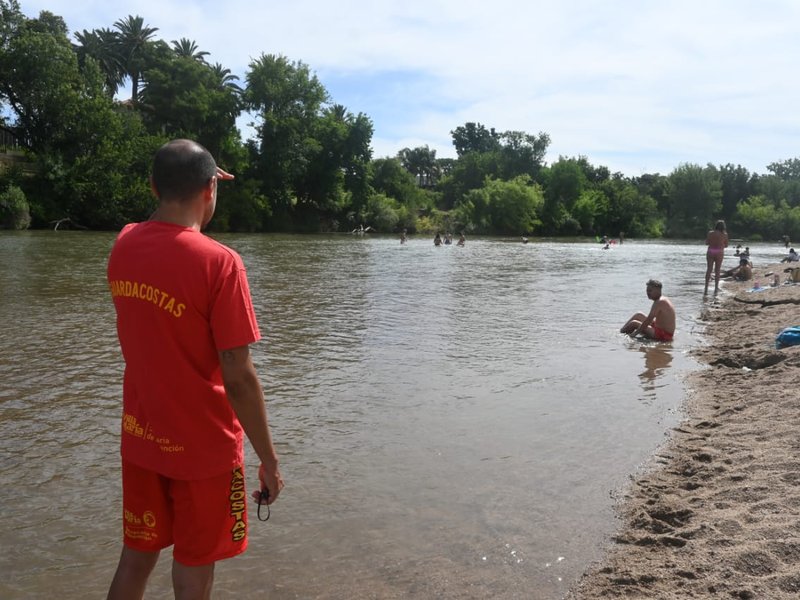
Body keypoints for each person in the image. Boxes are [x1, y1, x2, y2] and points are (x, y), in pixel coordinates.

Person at [105, 139, 283, 600]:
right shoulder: (220, 264)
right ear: (211, 188)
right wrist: (268, 458)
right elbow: (239, 376)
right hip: (202, 449)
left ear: (152, 187)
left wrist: (182, 189)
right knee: (194, 566)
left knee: (135, 558)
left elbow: (154, 229)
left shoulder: (124, 243)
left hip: (141, 439)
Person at [704, 219, 729, 295]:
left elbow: (706, 243)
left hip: (711, 251)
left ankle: (706, 288)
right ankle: (715, 288)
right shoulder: (725, 234)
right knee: (717, 270)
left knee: (709, 269)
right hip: (719, 252)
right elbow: (726, 245)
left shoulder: (710, 233)